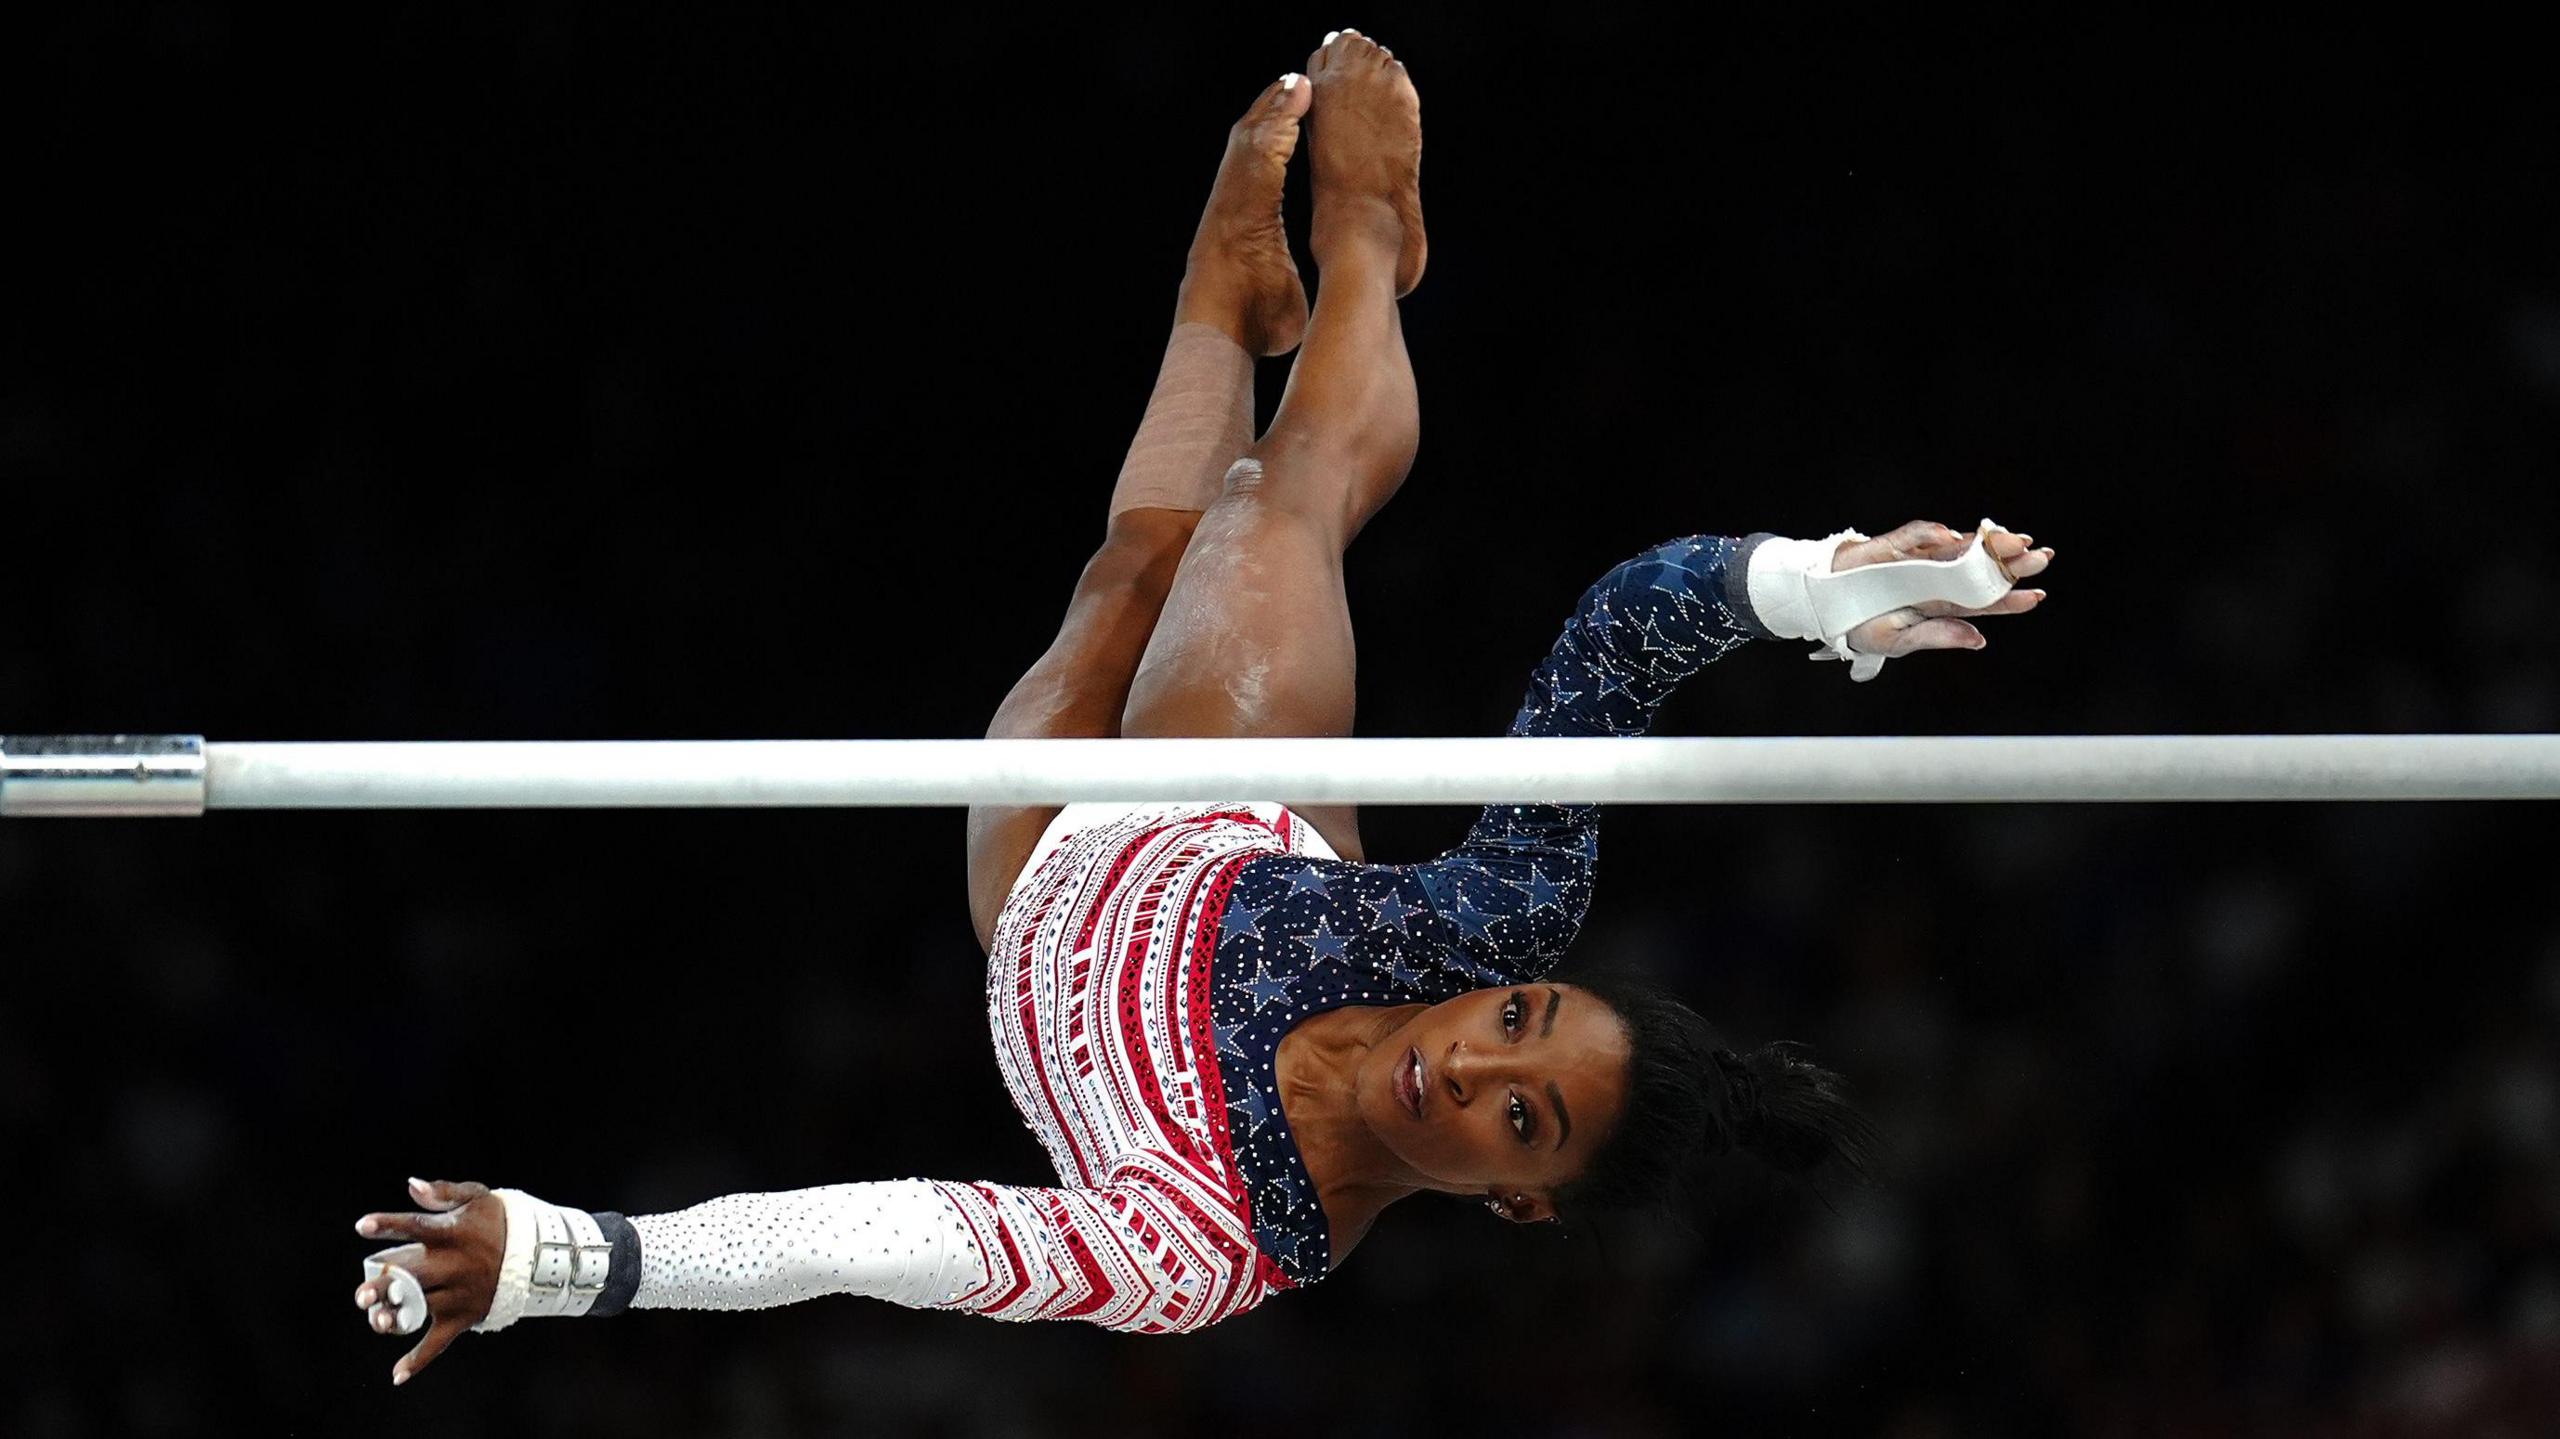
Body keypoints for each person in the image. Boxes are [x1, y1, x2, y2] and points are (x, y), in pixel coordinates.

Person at [349, 29, 2056, 1384]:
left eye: (1514, 1116)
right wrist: (1826, 584)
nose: (1463, 1055)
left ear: (1522, 1196)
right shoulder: (1492, 919)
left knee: (1121, 576)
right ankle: (1370, 246)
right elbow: (1620, 635)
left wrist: (577, 1265)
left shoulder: (1195, 1249)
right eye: (1517, 1022)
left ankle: (1221, 301)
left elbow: (891, 1234)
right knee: (1266, 505)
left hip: (1036, 906)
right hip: (1237, 823)